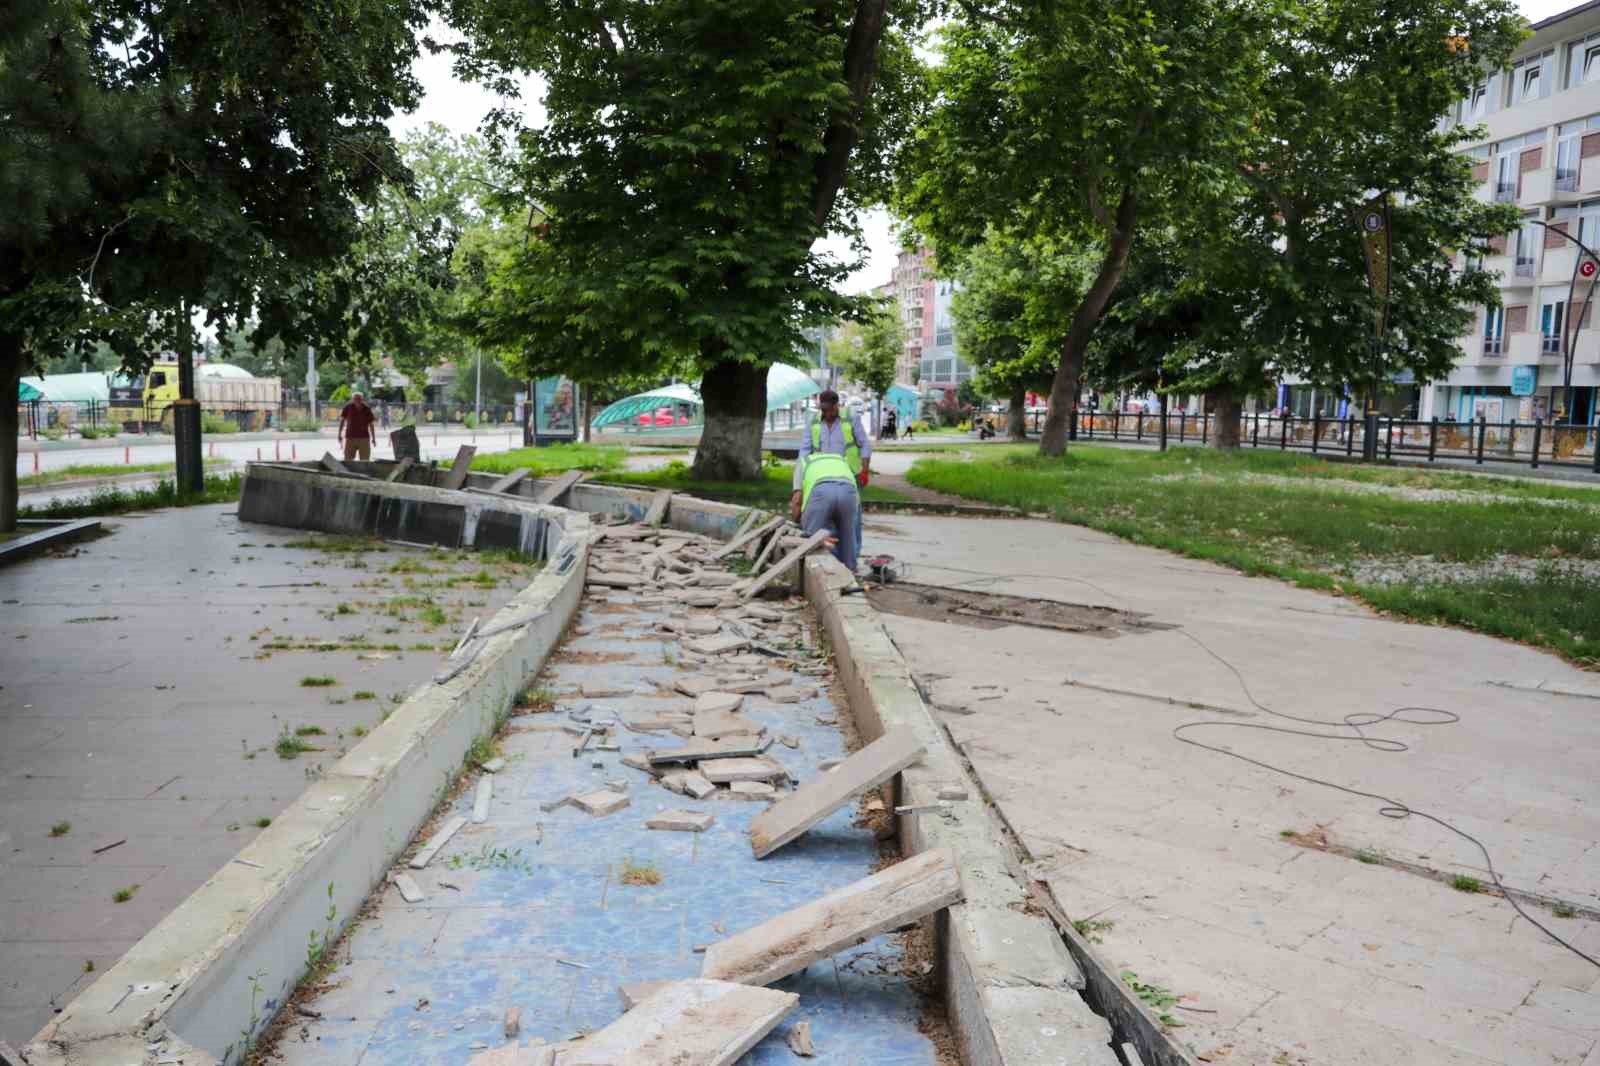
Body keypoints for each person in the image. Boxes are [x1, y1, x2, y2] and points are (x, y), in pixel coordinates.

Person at [793, 389, 871, 567]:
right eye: (824, 409)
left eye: (830, 409)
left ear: (837, 405)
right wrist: (800, 480)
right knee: (825, 515)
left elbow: (864, 444)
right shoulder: (813, 421)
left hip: (849, 474)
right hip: (821, 474)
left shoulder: (850, 418)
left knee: (851, 520)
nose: (827, 413)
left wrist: (865, 470)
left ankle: (851, 559)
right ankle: (834, 558)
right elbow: (804, 452)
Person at [791, 429, 861, 574]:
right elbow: (857, 524)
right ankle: (850, 574)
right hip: (849, 492)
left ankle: (814, 574)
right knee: (848, 537)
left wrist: (797, 522)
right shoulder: (840, 459)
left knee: (812, 539)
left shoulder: (805, 461)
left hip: (821, 492)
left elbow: (797, 499)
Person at [339, 391, 376, 462]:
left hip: (364, 438)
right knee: (348, 460)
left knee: (365, 461)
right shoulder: (348, 407)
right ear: (352, 399)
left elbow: (371, 424)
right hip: (350, 438)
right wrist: (339, 434)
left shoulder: (367, 409)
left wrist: (373, 438)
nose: (357, 400)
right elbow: (342, 421)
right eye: (355, 399)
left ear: (362, 399)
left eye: (359, 399)